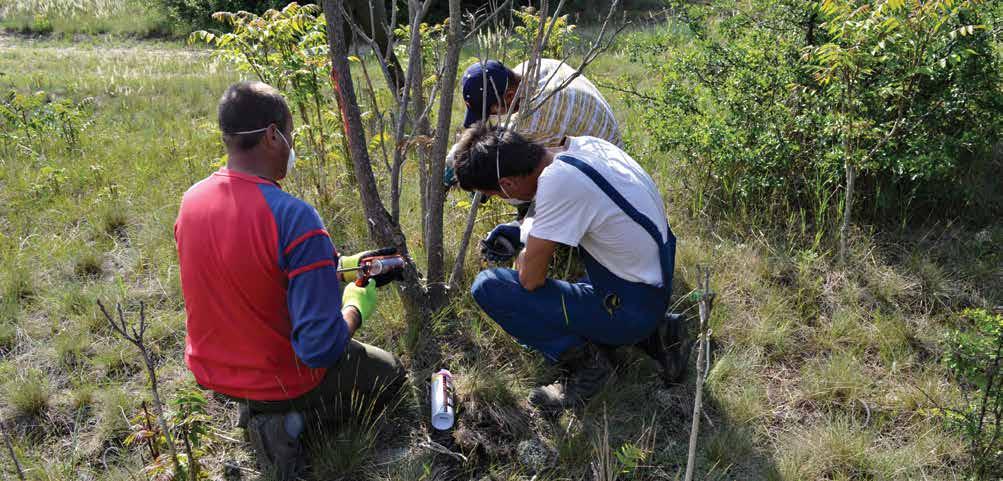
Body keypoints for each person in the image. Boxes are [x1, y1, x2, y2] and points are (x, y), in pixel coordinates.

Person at [174, 81, 405, 479]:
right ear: (271, 135)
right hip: (281, 375)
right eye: (290, 134)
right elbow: (319, 348)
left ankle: (261, 409)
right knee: (390, 375)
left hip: (214, 372)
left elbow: (252, 272)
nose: (291, 145)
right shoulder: (295, 217)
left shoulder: (192, 200)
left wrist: (337, 265)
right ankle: (287, 421)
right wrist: (354, 306)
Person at [451, 123, 680, 411]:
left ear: (507, 185)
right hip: (652, 276)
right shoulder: (583, 148)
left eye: (494, 194)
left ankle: (591, 368)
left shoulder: (560, 185)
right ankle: (655, 333)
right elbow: (562, 206)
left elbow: (530, 280)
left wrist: (525, 249)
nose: (501, 199)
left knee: (489, 287)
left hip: (633, 307)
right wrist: (521, 229)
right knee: (573, 281)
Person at [446, 58, 624, 263]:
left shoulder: (535, 117)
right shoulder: (529, 68)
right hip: (605, 150)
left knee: (503, 176)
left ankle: (540, 230)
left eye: (492, 112)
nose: (492, 119)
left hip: (604, 176)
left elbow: (511, 163)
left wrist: (523, 228)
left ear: (510, 96)